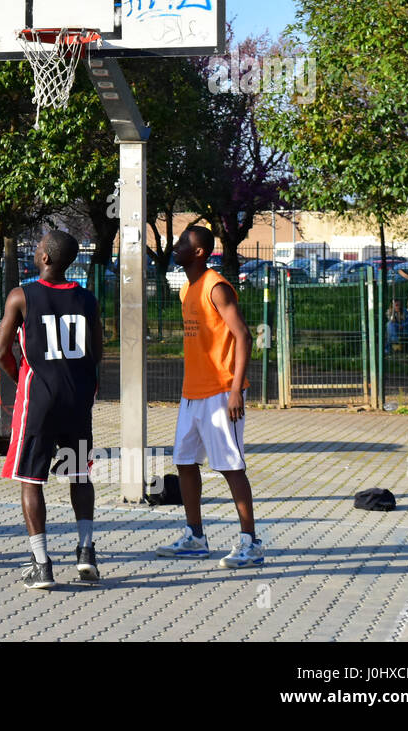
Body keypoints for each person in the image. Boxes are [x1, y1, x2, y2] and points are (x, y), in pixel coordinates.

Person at [0, 230, 104, 590]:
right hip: (77, 399)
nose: (36, 248)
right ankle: (86, 552)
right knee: (80, 474)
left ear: (45, 258)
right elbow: (97, 352)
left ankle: (42, 565)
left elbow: (2, 352)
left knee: (31, 479)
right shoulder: (87, 299)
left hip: (40, 399)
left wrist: (22, 378)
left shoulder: (21, 296)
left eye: (39, 245)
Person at [156, 225, 263, 568]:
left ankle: (250, 542)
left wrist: (235, 390)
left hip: (221, 392)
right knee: (185, 462)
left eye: (182, 243)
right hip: (192, 393)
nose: (175, 246)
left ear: (199, 252)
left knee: (230, 466)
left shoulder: (216, 287)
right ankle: (195, 537)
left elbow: (244, 336)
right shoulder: (186, 288)